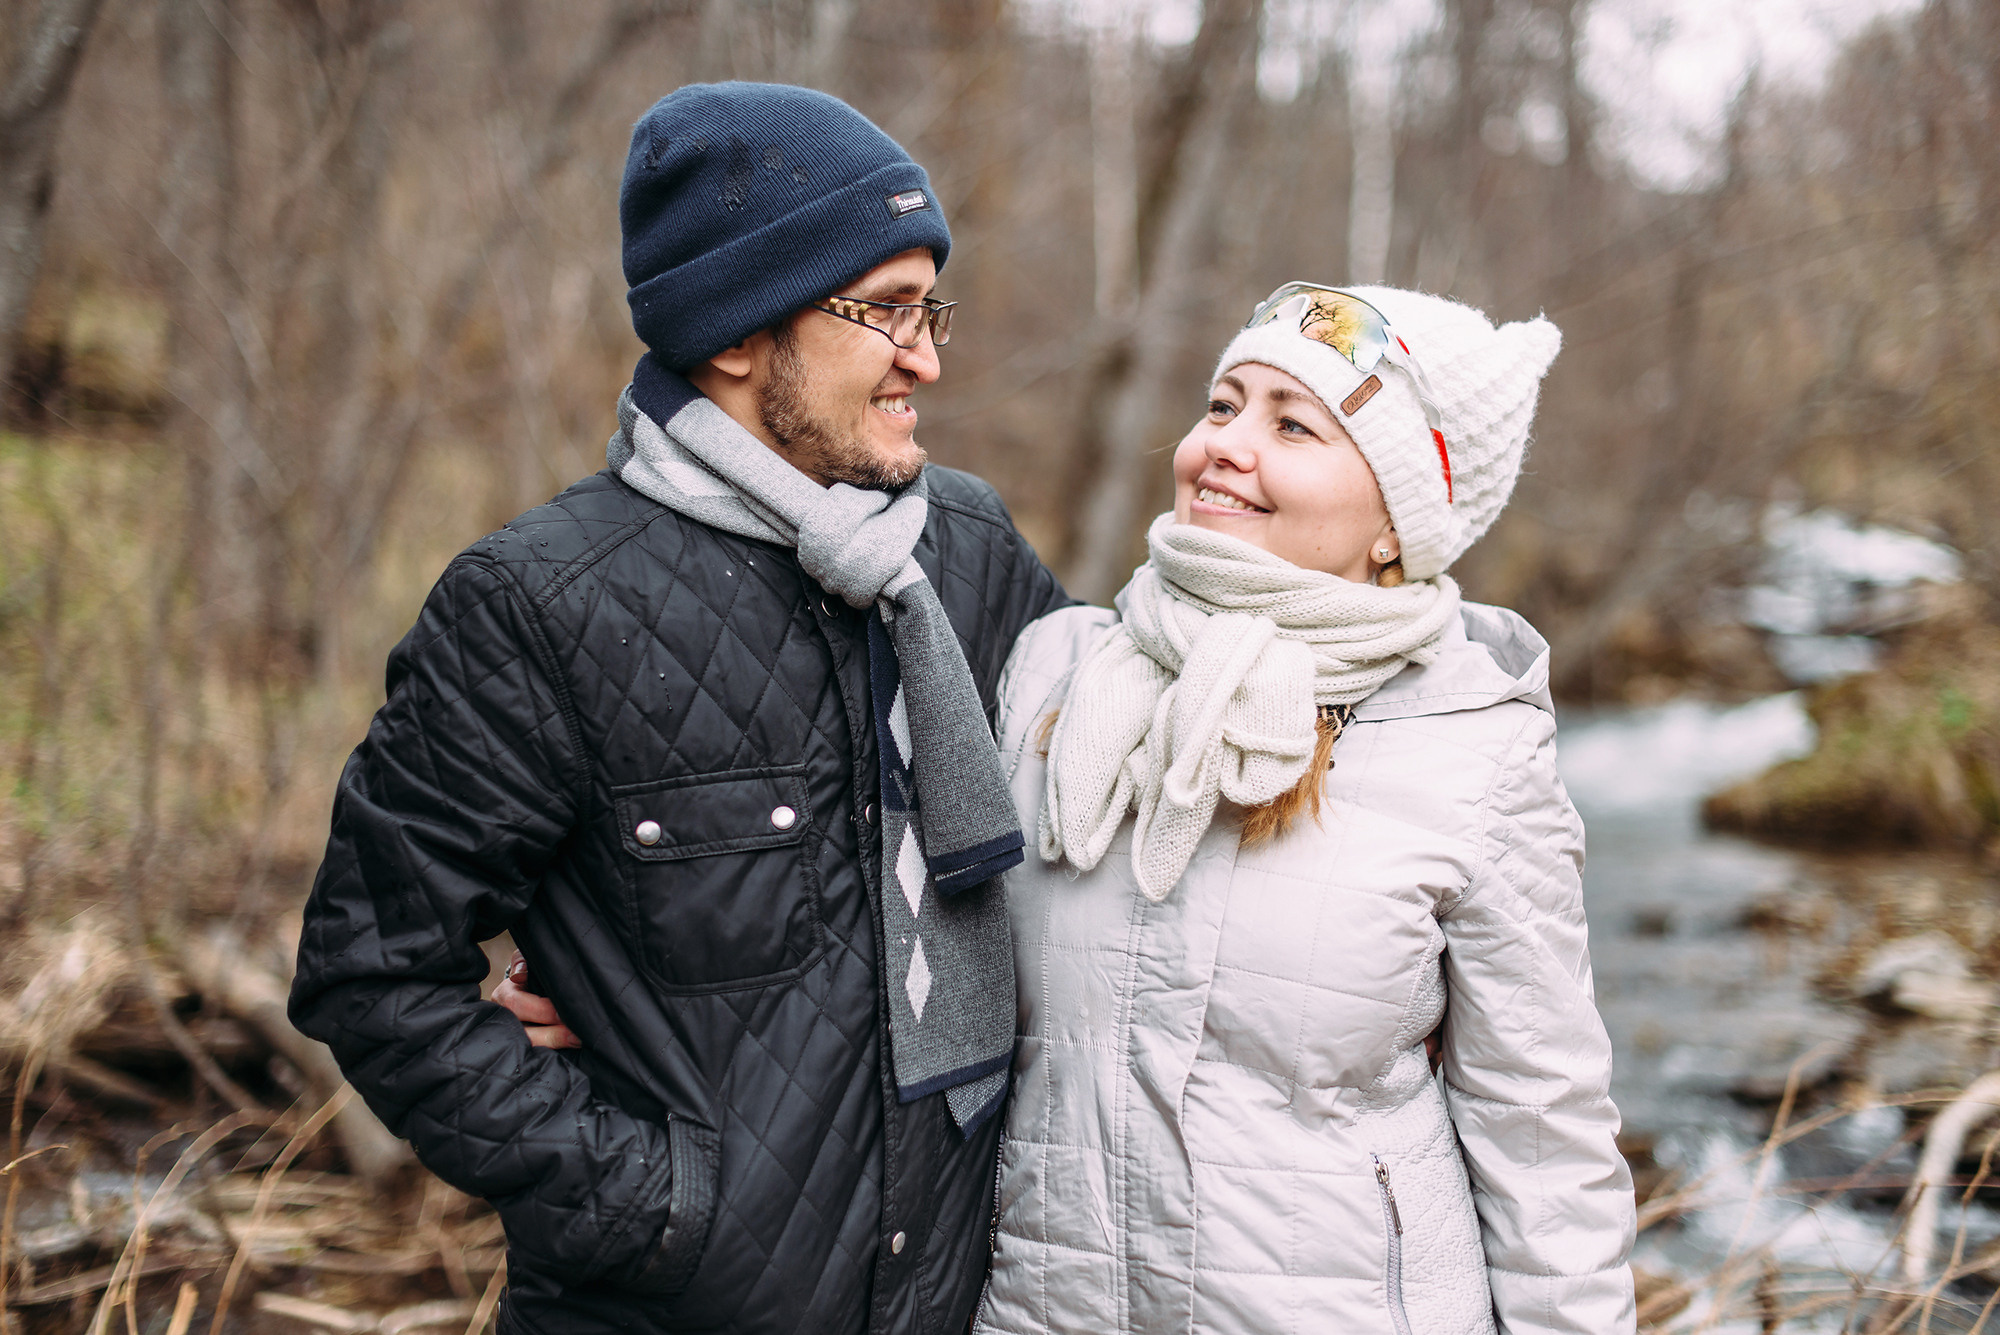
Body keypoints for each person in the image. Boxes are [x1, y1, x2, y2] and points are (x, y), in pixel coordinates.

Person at [286, 82, 1070, 1335]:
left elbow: (1122, 810)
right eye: (884, 312)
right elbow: (372, 976)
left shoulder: (967, 554)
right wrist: (646, 1202)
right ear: (734, 334)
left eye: (933, 309)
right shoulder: (539, 605)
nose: (926, 356)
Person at [973, 283, 1636, 1334]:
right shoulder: (1055, 676)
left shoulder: (1473, 748)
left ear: (1396, 521)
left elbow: (1541, 1137)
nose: (1226, 444)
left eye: (1293, 425)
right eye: (1223, 404)